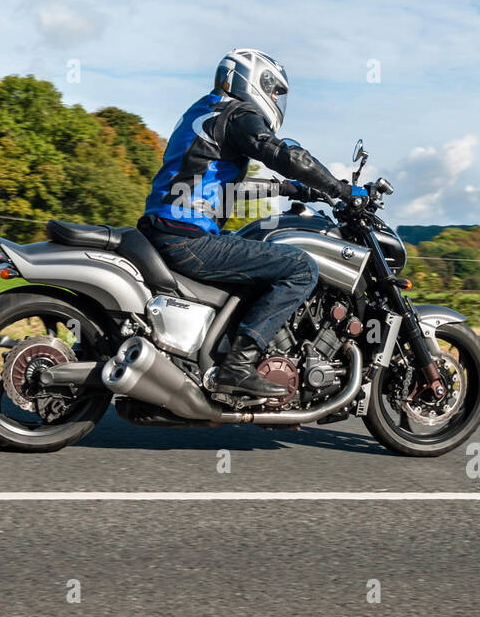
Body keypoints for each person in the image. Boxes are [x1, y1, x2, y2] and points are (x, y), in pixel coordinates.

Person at [139, 48, 365, 397]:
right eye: (274, 90)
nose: (274, 99)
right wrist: (339, 189)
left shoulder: (203, 111)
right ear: (252, 79)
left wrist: (292, 189)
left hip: (166, 228)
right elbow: (284, 154)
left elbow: (226, 188)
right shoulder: (239, 113)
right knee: (301, 269)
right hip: (186, 237)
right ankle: (239, 366)